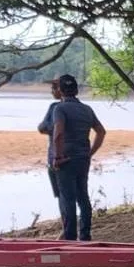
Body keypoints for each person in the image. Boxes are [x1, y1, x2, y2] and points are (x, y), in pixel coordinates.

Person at [52, 74, 106, 241]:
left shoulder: (59, 109)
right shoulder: (87, 109)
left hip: (67, 159)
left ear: (61, 91)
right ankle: (85, 234)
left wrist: (58, 156)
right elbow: (101, 132)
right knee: (83, 197)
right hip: (83, 159)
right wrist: (90, 153)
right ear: (76, 90)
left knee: (68, 198)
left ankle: (69, 236)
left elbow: (58, 134)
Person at [37, 78, 62, 200]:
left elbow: (42, 127)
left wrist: (54, 130)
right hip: (77, 157)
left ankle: (67, 219)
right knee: (80, 194)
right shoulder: (82, 108)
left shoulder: (54, 107)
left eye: (53, 88)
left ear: (60, 89)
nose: (51, 92)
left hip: (56, 158)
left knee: (62, 196)